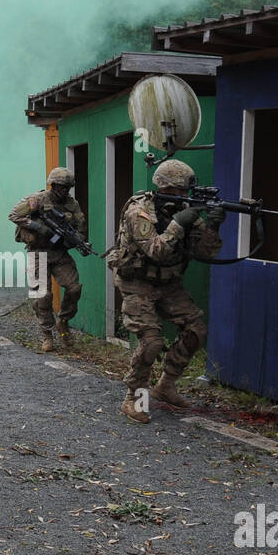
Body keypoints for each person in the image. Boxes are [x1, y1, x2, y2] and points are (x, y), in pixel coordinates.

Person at [106, 159, 224, 423]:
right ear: (165, 187)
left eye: (186, 192)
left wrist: (213, 226)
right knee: (152, 342)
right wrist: (179, 223)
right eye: (179, 191)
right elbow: (156, 251)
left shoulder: (183, 210)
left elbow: (205, 252)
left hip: (168, 283)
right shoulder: (139, 212)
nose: (184, 197)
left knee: (197, 330)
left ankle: (165, 386)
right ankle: (133, 399)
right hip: (136, 283)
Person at [8, 166, 86, 352]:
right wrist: (36, 226)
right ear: (53, 185)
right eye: (61, 186)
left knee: (74, 288)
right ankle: (47, 334)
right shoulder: (37, 200)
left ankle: (64, 321)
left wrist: (76, 240)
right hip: (38, 253)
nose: (64, 190)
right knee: (43, 295)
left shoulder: (72, 204)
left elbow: (81, 227)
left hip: (59, 253)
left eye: (68, 187)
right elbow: (14, 215)